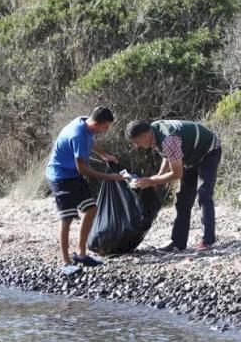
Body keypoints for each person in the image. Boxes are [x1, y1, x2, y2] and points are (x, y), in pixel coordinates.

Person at [45, 106, 123, 274]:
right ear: (96, 123)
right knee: (67, 219)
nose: (106, 130)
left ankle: (81, 254)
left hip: (72, 174)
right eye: (105, 127)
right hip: (60, 177)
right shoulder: (77, 134)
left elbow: (91, 141)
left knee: (91, 209)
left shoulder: (85, 122)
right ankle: (66, 263)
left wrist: (104, 155)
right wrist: (110, 177)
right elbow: (84, 170)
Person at [125, 119, 222, 252]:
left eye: (136, 142)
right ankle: (177, 244)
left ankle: (208, 241)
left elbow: (177, 173)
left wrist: (152, 181)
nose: (137, 146)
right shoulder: (154, 131)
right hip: (190, 156)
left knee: (204, 195)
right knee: (182, 200)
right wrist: (158, 177)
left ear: (144, 136)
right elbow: (168, 156)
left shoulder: (168, 139)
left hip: (209, 150)